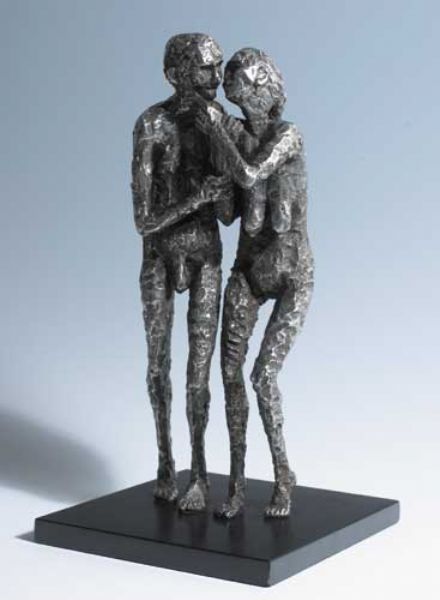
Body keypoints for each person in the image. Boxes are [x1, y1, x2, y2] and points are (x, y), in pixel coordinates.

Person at [197, 48, 314, 518]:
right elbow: (231, 214)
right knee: (228, 374)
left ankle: (283, 476)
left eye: (239, 82)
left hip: (291, 274)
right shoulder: (237, 136)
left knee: (263, 377)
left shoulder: (288, 135)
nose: (232, 90)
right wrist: (217, 179)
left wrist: (218, 134)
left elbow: (250, 172)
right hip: (248, 271)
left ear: (262, 83)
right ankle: (238, 485)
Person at [131, 33, 229, 512]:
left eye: (218, 66)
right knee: (158, 366)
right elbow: (143, 221)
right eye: (206, 68)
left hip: (205, 253)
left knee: (198, 374)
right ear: (176, 75)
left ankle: (200, 473)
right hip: (160, 256)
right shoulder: (152, 124)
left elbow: (228, 214)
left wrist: (224, 142)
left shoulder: (218, 121)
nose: (216, 78)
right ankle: (165, 462)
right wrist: (198, 199)